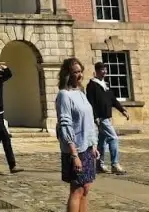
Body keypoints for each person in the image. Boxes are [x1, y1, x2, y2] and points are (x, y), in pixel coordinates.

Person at [56, 57, 99, 212]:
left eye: (81, 71)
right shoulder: (64, 95)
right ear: (68, 74)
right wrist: (74, 154)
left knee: (86, 189)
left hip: (87, 148)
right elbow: (65, 124)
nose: (80, 75)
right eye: (76, 72)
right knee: (77, 190)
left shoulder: (81, 93)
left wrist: (94, 144)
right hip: (75, 149)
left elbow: (89, 120)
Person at [86, 61, 129, 175]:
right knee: (113, 138)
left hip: (107, 116)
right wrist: (95, 116)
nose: (104, 72)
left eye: (105, 69)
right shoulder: (92, 85)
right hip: (101, 118)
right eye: (102, 70)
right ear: (97, 71)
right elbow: (90, 102)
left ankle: (99, 165)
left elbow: (113, 100)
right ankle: (115, 164)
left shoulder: (105, 85)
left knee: (102, 142)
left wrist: (122, 109)